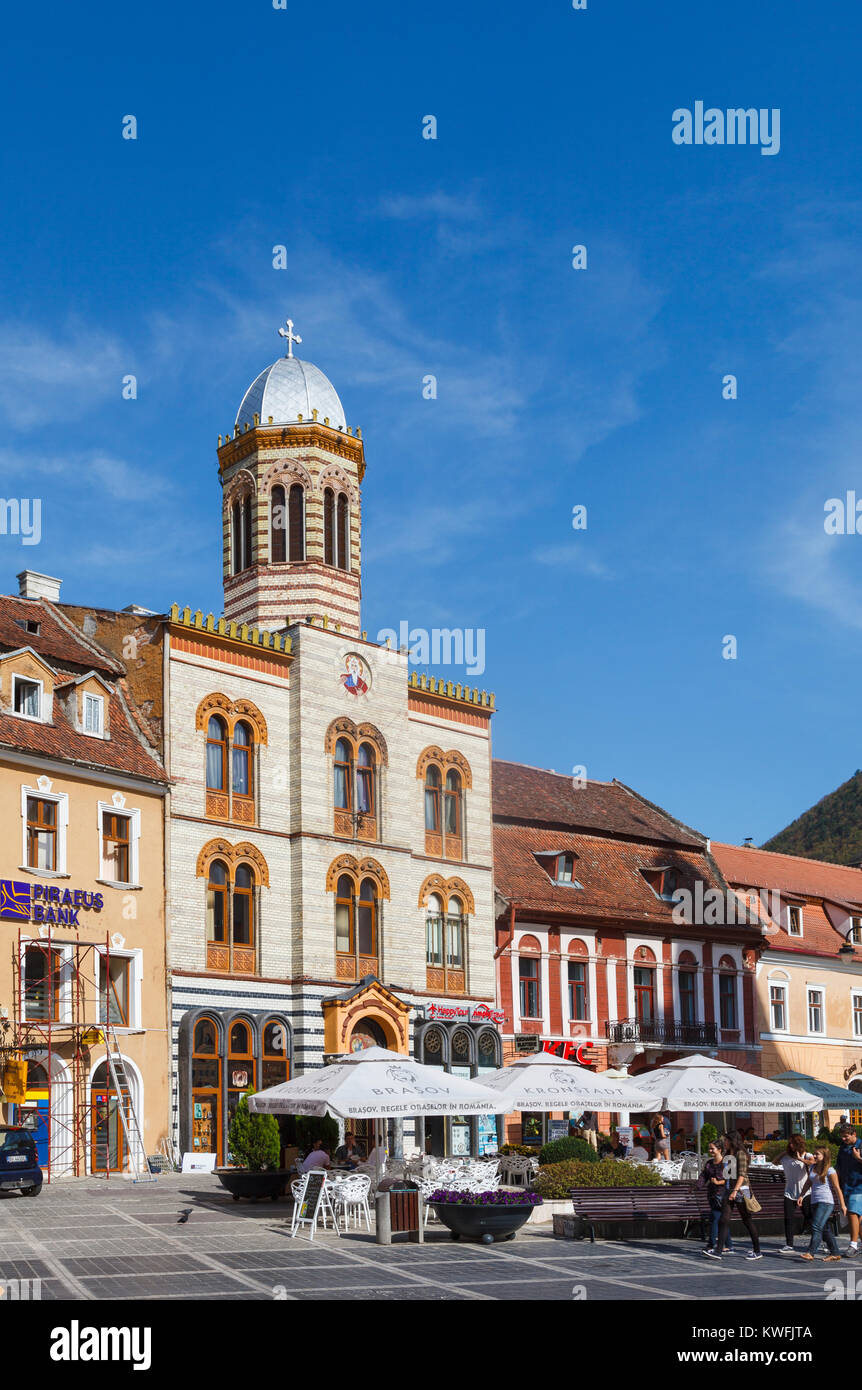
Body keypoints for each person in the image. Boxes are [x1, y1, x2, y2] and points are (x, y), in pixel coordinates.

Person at [707, 1131, 761, 1260]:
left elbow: (742, 1174)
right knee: (724, 1220)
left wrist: (735, 1191)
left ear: (732, 1141)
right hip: (730, 1188)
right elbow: (728, 1175)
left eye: (726, 1140)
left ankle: (757, 1250)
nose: (724, 1142)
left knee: (747, 1219)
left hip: (742, 1189)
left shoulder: (740, 1154)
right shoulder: (728, 1154)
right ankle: (718, 1251)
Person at [798, 1144, 846, 1262]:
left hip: (826, 1202)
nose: (814, 1155)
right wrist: (801, 1195)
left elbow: (837, 1188)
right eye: (814, 1153)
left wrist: (842, 1204)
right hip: (815, 1200)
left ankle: (811, 1252)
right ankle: (835, 1253)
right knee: (824, 1228)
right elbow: (809, 1183)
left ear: (824, 1156)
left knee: (816, 1225)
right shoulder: (812, 1167)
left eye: (817, 1154)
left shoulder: (830, 1170)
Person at [777, 1134, 813, 1254]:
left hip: (805, 1193)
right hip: (789, 1192)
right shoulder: (786, 1157)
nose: (791, 1145)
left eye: (793, 1143)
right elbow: (774, 1161)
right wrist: (783, 1152)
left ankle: (818, 1242)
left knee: (810, 1217)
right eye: (789, 1143)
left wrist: (800, 1159)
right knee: (788, 1218)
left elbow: (812, 1163)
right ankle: (789, 1244)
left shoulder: (806, 1155)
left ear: (799, 1144)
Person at [701, 1140, 735, 1256]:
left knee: (715, 1219)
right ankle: (729, 1245)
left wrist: (718, 1182)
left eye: (712, 1149)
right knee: (722, 1221)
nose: (710, 1151)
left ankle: (711, 1245)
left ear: (719, 1149)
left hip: (723, 1195)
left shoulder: (727, 1162)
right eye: (709, 1148)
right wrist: (696, 1186)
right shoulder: (709, 1163)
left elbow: (731, 1179)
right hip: (712, 1195)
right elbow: (704, 1176)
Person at [836, 1124, 862, 1256]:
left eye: (846, 1136)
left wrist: (858, 1159)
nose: (844, 1139)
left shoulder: (860, 1146)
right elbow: (839, 1167)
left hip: (859, 1186)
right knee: (857, 1218)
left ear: (854, 1134)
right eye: (842, 1137)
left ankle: (853, 1245)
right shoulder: (843, 1148)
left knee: (852, 1213)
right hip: (846, 1186)